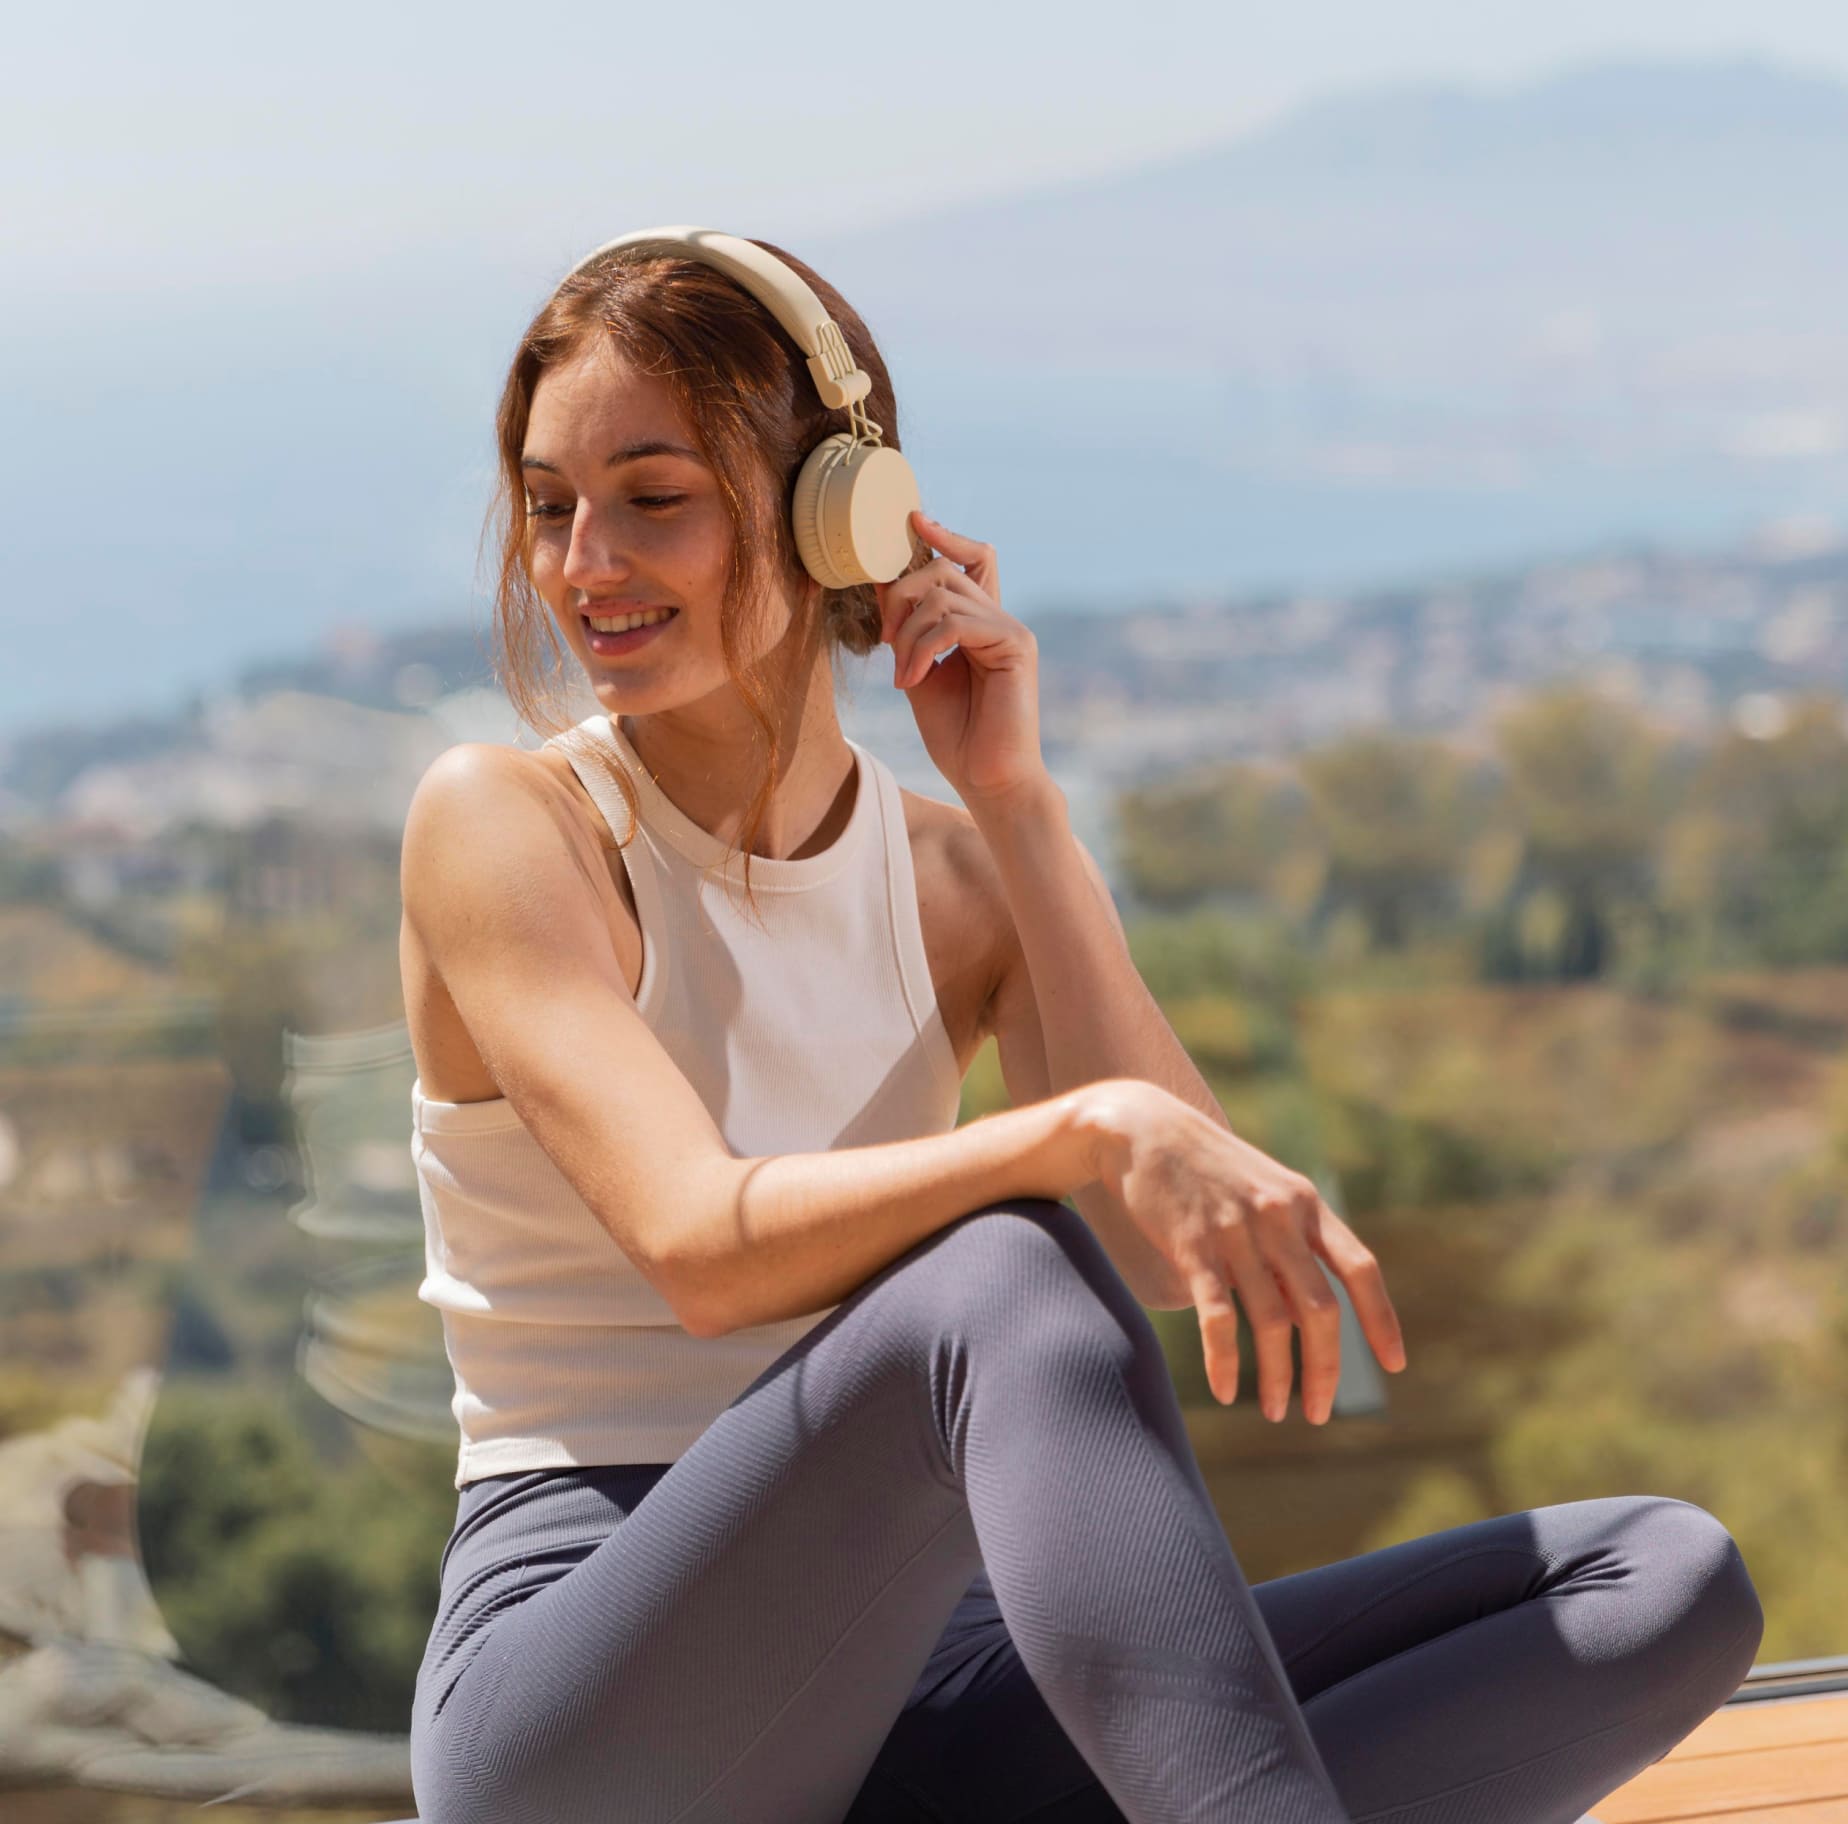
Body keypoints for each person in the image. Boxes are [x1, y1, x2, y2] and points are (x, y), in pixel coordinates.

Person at [397, 232, 1764, 1824]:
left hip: (945, 1682)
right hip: (609, 1696)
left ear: (839, 511)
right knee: (999, 1260)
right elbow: (703, 1245)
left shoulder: (954, 880)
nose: (582, 565)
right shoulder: (509, 825)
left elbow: (1199, 1251)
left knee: (1659, 1578)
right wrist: (1071, 1133)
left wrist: (1021, 812)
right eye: (552, 504)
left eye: (653, 497)